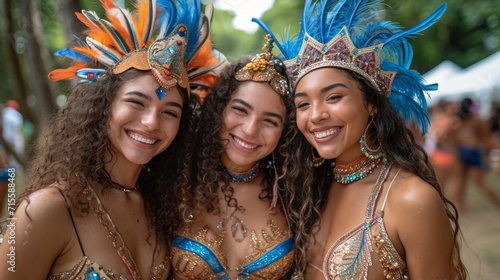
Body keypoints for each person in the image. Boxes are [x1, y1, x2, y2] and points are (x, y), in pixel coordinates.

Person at [0, 0, 216, 278]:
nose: (151, 122)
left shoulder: (162, 206)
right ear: (103, 106)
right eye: (137, 102)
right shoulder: (46, 208)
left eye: (170, 112)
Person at [255, 0, 468, 279]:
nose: (316, 115)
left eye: (333, 97)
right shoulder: (306, 188)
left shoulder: (411, 199)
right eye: (303, 104)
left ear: (371, 104)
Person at [169, 35, 296, 279]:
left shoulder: (294, 192)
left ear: (285, 131)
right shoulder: (172, 179)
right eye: (240, 110)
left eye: (270, 120)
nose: (250, 130)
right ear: (219, 110)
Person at [450, 97, 500, 212]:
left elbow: (454, 141)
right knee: (472, 183)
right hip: (471, 151)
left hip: (465, 151)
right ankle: (460, 206)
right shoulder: (475, 121)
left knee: (461, 182)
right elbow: (486, 139)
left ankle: (460, 207)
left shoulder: (458, 121)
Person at [1, 99, 24, 169]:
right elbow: (18, 128)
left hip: (5, 138)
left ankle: (8, 170)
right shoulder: (17, 115)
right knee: (14, 158)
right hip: (15, 138)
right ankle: (13, 172)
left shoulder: (4, 112)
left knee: (6, 156)